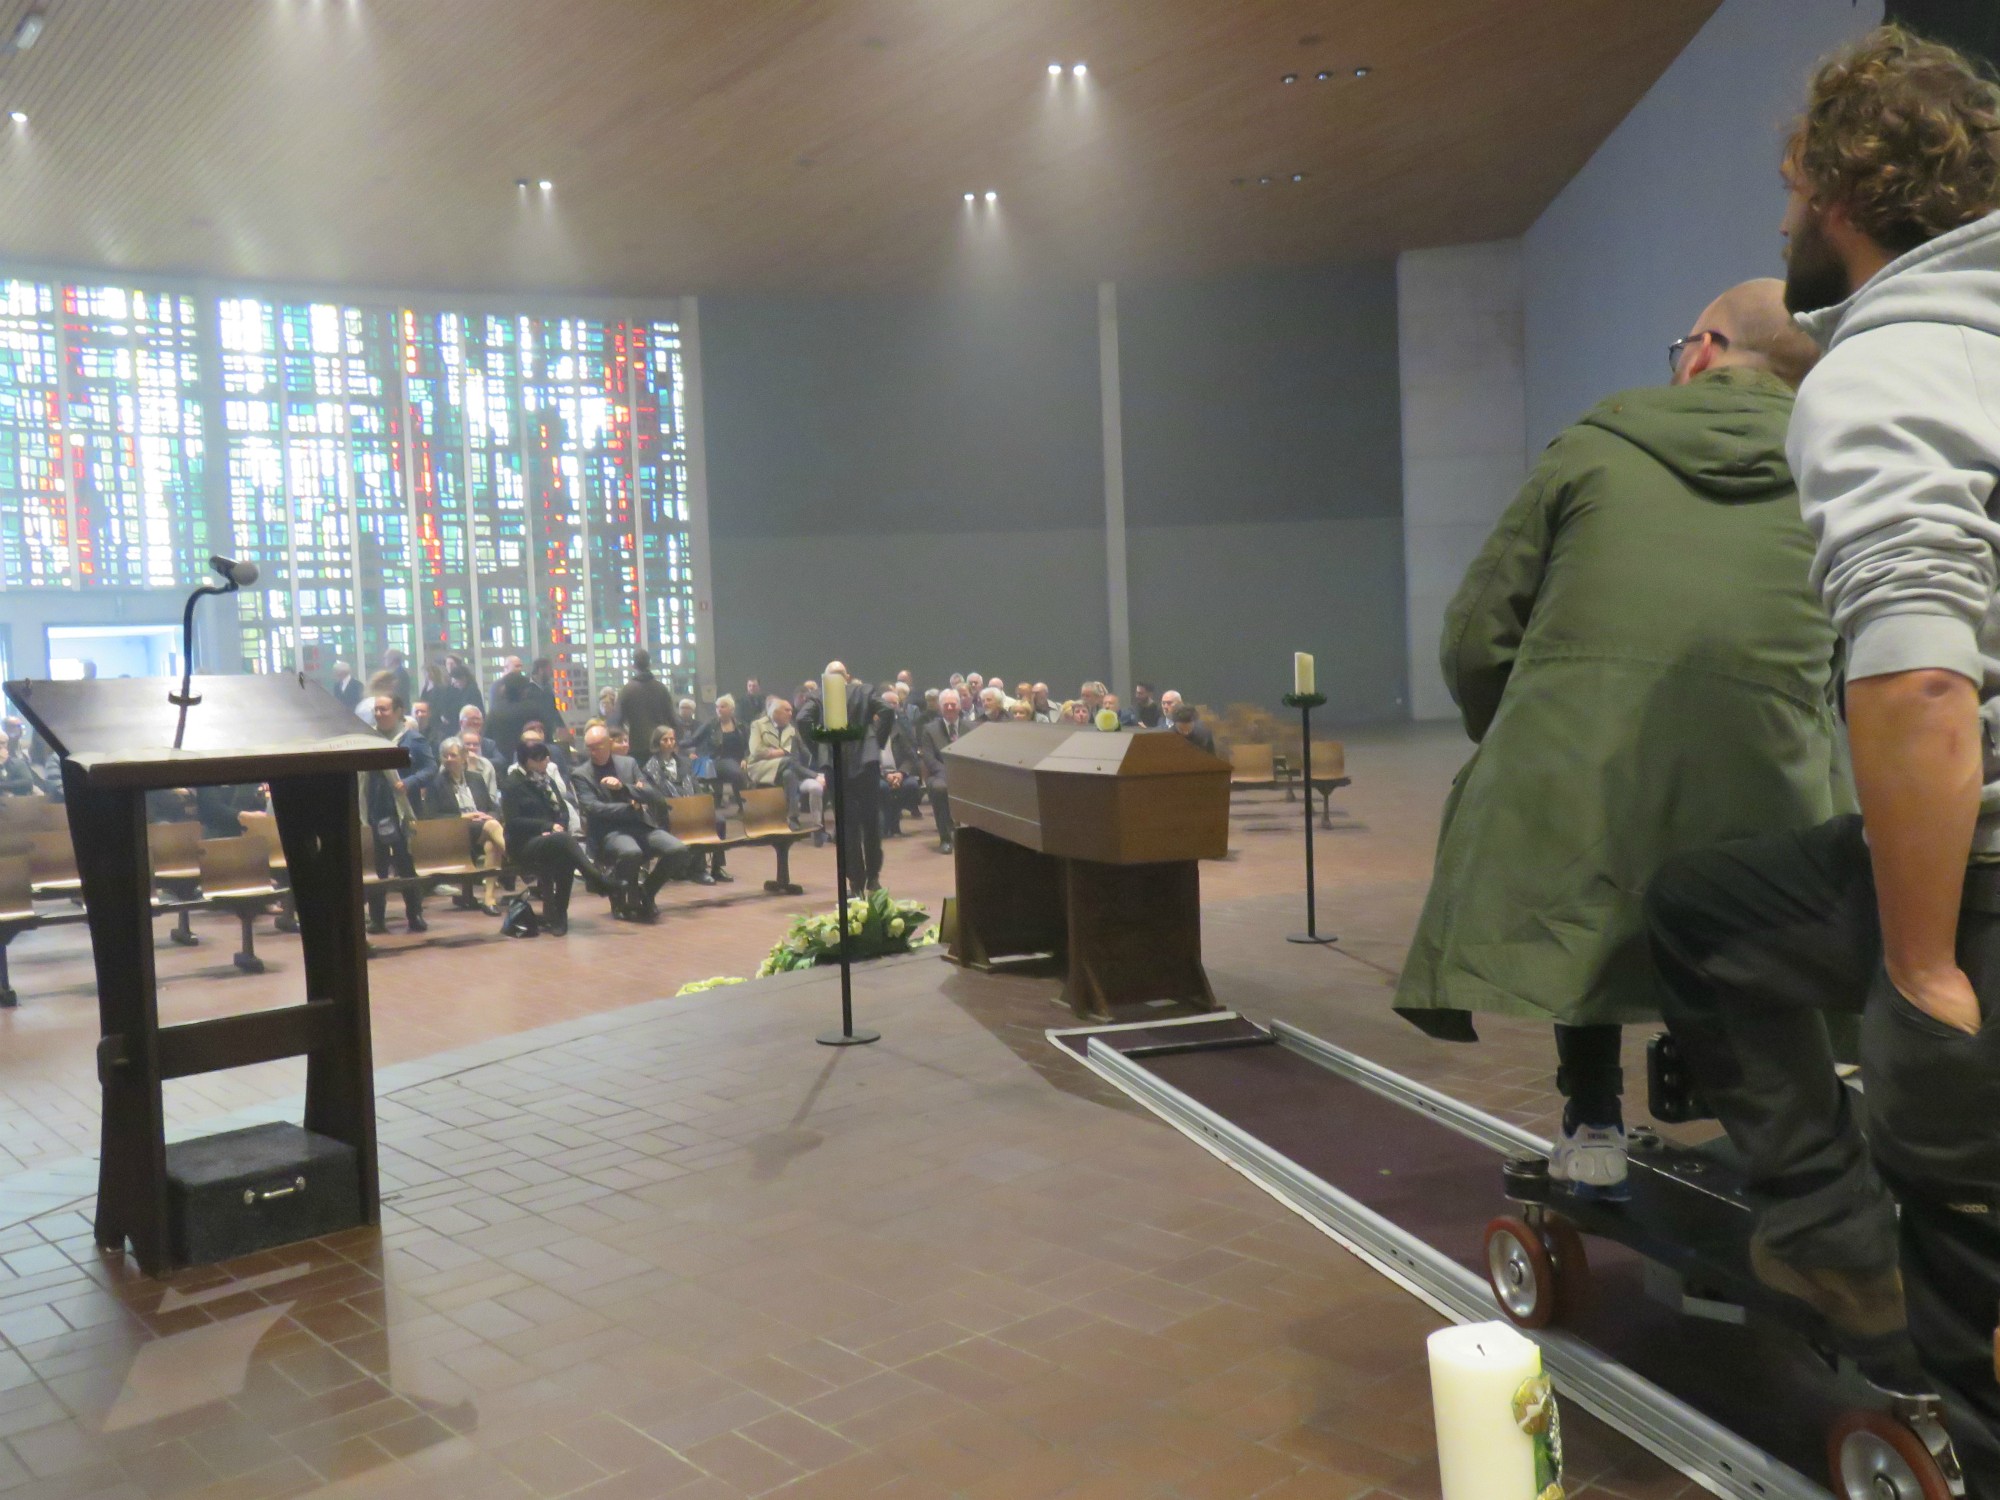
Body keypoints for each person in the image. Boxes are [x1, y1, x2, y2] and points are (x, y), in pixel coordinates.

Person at [1644, 28, 2000, 1479]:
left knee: (1701, 911)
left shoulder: (1883, 369)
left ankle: (1853, 1259)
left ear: (1842, 196)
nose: (1784, 225)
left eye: (1791, 194)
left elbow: (1919, 679)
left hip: (1984, 867)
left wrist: (1921, 976)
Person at [1394, 277, 1840, 1206]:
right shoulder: (1840, 467)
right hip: (1769, 791)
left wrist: (1523, 731)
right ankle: (1785, 1139)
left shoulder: (1593, 448)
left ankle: (1590, 1117)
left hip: (1580, 783)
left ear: (1705, 350)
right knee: (1759, 868)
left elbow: (1476, 637)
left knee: (1585, 858)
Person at [575, 723, 689, 919]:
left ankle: (647, 892)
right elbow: (593, 808)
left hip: (640, 825)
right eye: (590, 748)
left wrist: (624, 788)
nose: (593, 752)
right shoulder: (581, 774)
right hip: (609, 832)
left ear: (609, 744)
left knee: (677, 849)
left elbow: (652, 794)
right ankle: (619, 897)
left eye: (598, 747)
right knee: (631, 852)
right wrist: (631, 807)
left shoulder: (628, 764)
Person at [800, 661, 888, 894]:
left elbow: (801, 719)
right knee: (870, 822)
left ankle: (855, 883)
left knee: (847, 826)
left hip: (835, 764)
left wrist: (819, 745)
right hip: (866, 762)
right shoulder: (865, 690)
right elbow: (888, 711)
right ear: (847, 677)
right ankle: (873, 878)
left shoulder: (819, 696)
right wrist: (877, 741)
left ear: (825, 678)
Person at [501, 739, 603, 936]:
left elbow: (562, 810)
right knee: (563, 841)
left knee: (565, 858)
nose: (548, 760)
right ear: (529, 761)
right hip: (523, 844)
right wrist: (546, 827)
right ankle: (596, 878)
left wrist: (557, 827)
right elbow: (513, 822)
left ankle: (560, 915)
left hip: (550, 840)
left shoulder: (546, 779)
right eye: (542, 757)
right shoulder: (512, 783)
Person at [364, 692, 436, 935]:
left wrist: (410, 782)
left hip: (404, 812)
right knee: (379, 868)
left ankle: (414, 915)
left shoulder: (413, 739)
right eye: (376, 709)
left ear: (398, 711)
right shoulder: (368, 739)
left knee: (406, 864)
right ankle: (377, 919)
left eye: (383, 709)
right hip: (376, 811)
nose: (378, 714)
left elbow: (430, 768)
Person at [641, 725, 732, 883]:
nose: (669, 743)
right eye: (665, 740)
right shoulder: (650, 768)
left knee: (719, 820)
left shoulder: (684, 763)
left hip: (690, 805)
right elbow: (655, 795)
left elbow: (696, 787)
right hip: (668, 810)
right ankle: (698, 870)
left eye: (672, 739)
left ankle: (717, 867)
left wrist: (701, 803)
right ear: (657, 742)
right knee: (693, 821)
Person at [426, 736, 504, 912]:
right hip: (455, 833)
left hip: (481, 829)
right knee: (492, 827)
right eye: (445, 756)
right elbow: (430, 817)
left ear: (463, 757)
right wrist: (463, 817)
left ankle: (489, 899)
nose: (449, 760)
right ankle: (513, 853)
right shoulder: (436, 784)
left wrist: (486, 815)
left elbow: (494, 808)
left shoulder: (476, 779)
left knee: (492, 845)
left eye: (453, 755)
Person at [747, 697, 814, 826]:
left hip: (783, 766)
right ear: (775, 712)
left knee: (789, 774)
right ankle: (813, 775)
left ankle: (792, 817)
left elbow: (794, 751)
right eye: (786, 710)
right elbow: (756, 751)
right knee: (789, 762)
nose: (791, 713)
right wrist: (779, 752)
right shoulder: (758, 725)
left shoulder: (792, 729)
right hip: (760, 766)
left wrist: (775, 752)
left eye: (791, 710)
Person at [919, 688, 965, 852]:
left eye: (953, 704)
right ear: (940, 707)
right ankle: (945, 838)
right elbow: (929, 758)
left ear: (959, 706)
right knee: (940, 788)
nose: (950, 708)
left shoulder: (971, 727)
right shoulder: (929, 729)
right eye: (946, 705)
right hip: (939, 774)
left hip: (966, 774)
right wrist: (949, 774)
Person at [617, 649, 676, 762]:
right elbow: (672, 718)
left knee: (639, 778)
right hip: (659, 745)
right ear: (649, 664)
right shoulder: (661, 688)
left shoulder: (627, 690)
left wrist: (620, 742)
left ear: (633, 665)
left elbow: (618, 720)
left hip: (636, 745)